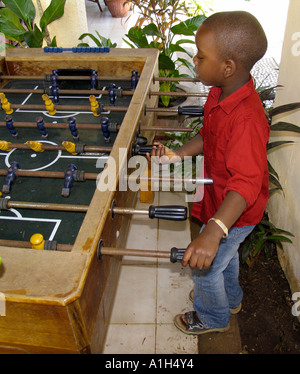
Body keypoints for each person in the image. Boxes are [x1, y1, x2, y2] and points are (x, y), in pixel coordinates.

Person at [146, 11, 270, 334]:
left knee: (206, 266)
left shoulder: (246, 120)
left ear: (227, 66)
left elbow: (245, 185)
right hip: (221, 202)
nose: (195, 60)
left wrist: (214, 231)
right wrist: (179, 152)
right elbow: (208, 135)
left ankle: (212, 317)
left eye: (201, 56)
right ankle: (230, 299)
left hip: (236, 213)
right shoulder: (219, 92)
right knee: (223, 259)